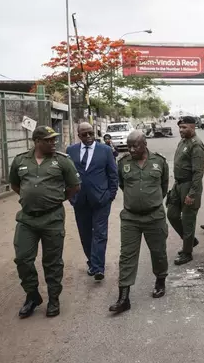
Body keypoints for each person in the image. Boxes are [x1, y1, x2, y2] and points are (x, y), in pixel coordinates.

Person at [9, 126, 81, 318]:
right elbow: (15, 185)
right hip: (27, 219)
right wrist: (31, 199)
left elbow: (74, 186)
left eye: (54, 139)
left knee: (52, 262)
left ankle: (54, 299)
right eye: (48, 140)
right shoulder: (20, 161)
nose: (53, 142)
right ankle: (32, 296)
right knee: (22, 258)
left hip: (52, 218)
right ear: (37, 141)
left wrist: (54, 200)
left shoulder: (62, 161)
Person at [108, 131, 170, 314]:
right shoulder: (123, 163)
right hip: (130, 218)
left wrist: (151, 201)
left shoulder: (159, 162)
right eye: (129, 146)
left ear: (145, 144)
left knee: (158, 252)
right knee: (127, 256)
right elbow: (122, 185)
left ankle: (160, 280)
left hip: (154, 216)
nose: (131, 149)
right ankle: (124, 297)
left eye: (135, 146)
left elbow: (164, 186)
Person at [66, 123, 119, 281]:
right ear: (78, 135)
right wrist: (70, 196)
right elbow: (66, 175)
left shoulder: (106, 150)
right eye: (84, 134)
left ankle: (98, 267)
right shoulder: (71, 151)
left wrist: (111, 195)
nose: (88, 137)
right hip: (80, 200)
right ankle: (92, 261)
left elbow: (113, 174)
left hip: (101, 199)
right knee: (85, 233)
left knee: (100, 233)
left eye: (90, 133)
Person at [167, 116, 204, 265]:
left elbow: (198, 172)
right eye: (180, 127)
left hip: (189, 186)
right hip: (178, 184)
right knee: (171, 214)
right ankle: (190, 241)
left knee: (188, 219)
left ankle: (187, 252)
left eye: (184, 127)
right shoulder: (183, 141)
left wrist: (192, 193)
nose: (181, 130)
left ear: (193, 127)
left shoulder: (196, 145)